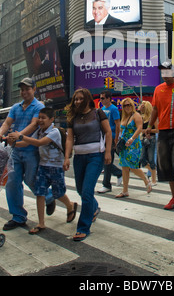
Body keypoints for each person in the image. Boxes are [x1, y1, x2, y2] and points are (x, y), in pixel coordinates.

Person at [0, 78, 55, 231]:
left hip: (31, 150)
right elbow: (7, 123)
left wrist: (18, 135)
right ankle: (18, 217)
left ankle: (49, 197)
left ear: (34, 89)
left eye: (27, 88)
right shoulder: (16, 107)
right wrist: (0, 134)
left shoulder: (38, 106)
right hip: (15, 150)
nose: (24, 92)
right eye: (22, 89)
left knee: (31, 180)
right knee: (12, 182)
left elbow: (34, 124)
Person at [10, 107, 77, 234]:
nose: (40, 120)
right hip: (43, 166)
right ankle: (41, 223)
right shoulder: (40, 131)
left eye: (43, 118)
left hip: (56, 167)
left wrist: (21, 136)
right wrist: (12, 143)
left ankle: (70, 206)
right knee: (40, 193)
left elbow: (39, 143)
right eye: (39, 117)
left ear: (51, 119)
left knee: (58, 193)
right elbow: (27, 143)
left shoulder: (54, 132)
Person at [64, 88, 112, 241]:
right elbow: (70, 138)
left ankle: (83, 227)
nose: (77, 101)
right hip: (79, 157)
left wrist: (108, 152)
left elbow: (108, 132)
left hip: (95, 157)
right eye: (75, 99)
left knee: (86, 191)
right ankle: (94, 208)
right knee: (81, 189)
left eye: (80, 98)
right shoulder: (73, 117)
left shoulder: (98, 113)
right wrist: (66, 157)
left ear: (87, 99)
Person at [146, 65, 174, 210]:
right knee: (166, 165)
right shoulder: (158, 89)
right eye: (163, 72)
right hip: (163, 131)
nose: (164, 75)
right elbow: (155, 109)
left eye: (167, 71)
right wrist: (150, 126)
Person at [115, 98, 152, 198]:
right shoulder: (124, 116)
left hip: (133, 145)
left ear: (132, 105)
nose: (127, 107)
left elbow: (139, 128)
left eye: (129, 105)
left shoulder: (136, 115)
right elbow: (121, 129)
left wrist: (131, 138)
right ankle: (125, 191)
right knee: (124, 167)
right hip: (124, 145)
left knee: (132, 166)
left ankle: (145, 179)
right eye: (125, 105)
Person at [98, 91, 122, 193]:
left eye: (103, 98)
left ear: (108, 98)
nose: (101, 100)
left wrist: (116, 139)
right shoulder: (102, 109)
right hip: (103, 138)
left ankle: (107, 184)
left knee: (107, 161)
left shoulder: (114, 109)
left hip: (111, 137)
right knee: (103, 160)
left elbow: (117, 124)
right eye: (100, 98)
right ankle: (119, 173)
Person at [139, 101, 158, 185]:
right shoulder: (141, 118)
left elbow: (157, 130)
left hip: (151, 139)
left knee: (151, 159)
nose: (140, 108)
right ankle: (153, 172)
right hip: (143, 139)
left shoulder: (152, 118)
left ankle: (154, 179)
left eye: (142, 107)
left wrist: (148, 130)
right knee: (142, 159)